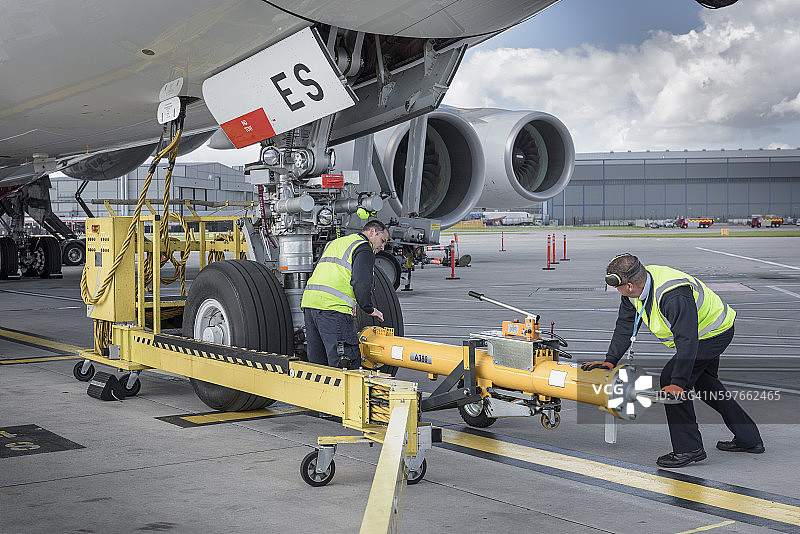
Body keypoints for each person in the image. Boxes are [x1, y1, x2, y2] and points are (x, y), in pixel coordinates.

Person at [582, 253, 763, 468]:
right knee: (707, 386)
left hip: (714, 333)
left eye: (617, 287)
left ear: (629, 285)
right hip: (701, 335)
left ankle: (688, 449)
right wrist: (610, 360)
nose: (616, 291)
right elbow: (625, 325)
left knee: (672, 380)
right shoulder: (635, 291)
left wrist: (677, 382)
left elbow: (687, 340)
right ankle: (749, 438)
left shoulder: (672, 295)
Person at [300, 220, 388, 369]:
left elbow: (330, 274)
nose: (382, 247)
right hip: (333, 310)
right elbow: (361, 282)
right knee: (345, 364)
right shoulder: (364, 247)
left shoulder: (334, 243)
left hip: (310, 306)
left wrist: (351, 302)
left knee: (318, 365)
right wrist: (369, 308)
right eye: (382, 240)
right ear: (372, 232)